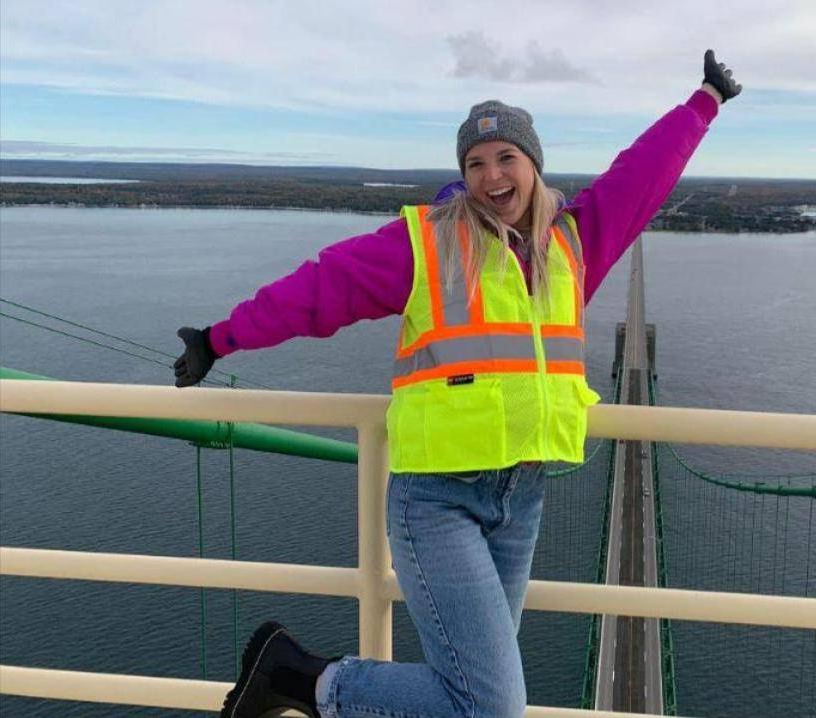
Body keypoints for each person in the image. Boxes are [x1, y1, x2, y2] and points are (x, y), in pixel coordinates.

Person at [174, 50, 741, 718]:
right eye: (474, 163)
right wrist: (219, 338)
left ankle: (295, 674)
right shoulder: (428, 243)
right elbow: (318, 290)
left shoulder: (572, 245)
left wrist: (703, 100)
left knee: (469, 696)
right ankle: (303, 677)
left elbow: (641, 176)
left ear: (532, 164)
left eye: (505, 157)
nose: (491, 175)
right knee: (490, 706)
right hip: (436, 500)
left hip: (519, 495)